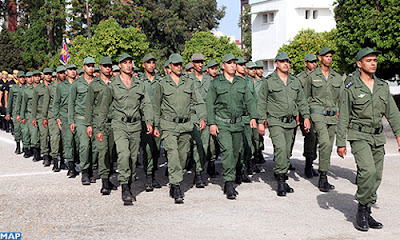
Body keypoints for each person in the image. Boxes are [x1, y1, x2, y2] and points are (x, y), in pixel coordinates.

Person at [336, 47, 400, 231]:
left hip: (378, 136)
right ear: (359, 64)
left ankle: (368, 209)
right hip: (359, 135)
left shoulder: (382, 86)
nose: (373, 63)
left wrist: (398, 135)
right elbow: (344, 117)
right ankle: (361, 210)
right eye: (368, 60)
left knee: (377, 176)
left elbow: (393, 114)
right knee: (368, 171)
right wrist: (340, 142)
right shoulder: (350, 86)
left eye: (374, 60)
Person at [97, 53, 154, 205]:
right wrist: (100, 128)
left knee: (133, 158)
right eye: (125, 63)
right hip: (119, 125)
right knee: (124, 154)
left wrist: (149, 121)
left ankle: (129, 183)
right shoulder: (113, 85)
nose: (128, 65)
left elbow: (146, 103)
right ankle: (125, 189)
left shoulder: (139, 84)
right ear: (120, 65)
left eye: (130, 62)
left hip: (135, 125)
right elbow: (103, 108)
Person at [153, 53, 206, 204]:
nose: (178, 67)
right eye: (175, 64)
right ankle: (176, 185)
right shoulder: (162, 84)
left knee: (183, 156)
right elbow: (156, 107)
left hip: (185, 125)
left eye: (180, 64)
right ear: (169, 66)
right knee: (173, 154)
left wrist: (202, 117)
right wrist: (155, 125)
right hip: (168, 125)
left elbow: (199, 101)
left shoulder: (188, 82)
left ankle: (175, 179)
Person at [257, 52, 310, 197]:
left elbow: (301, 101)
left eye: (287, 61)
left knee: (287, 152)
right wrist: (261, 121)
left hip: (291, 122)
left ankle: (282, 175)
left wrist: (306, 117)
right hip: (275, 121)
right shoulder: (269, 81)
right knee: (280, 149)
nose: (286, 64)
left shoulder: (294, 81)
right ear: (276, 64)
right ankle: (280, 181)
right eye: (282, 61)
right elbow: (261, 102)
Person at [207, 53, 258, 200]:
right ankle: (228, 182)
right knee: (228, 151)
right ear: (223, 65)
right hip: (222, 123)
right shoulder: (216, 83)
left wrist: (253, 117)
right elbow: (209, 104)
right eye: (229, 63)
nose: (232, 65)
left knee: (237, 152)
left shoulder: (241, 82)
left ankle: (232, 173)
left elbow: (249, 100)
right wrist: (212, 123)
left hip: (238, 123)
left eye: (234, 63)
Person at [304, 47, 343, 192]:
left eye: (331, 57)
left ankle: (323, 173)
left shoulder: (337, 77)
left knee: (328, 146)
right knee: (325, 143)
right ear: (320, 58)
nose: (329, 59)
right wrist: (306, 117)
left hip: (332, 115)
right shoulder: (312, 76)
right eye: (326, 56)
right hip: (317, 113)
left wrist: (344, 115)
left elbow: (343, 99)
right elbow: (305, 97)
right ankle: (323, 177)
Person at [85, 56, 117, 195]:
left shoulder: (116, 83)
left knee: (111, 153)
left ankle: (108, 177)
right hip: (100, 122)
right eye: (105, 66)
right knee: (102, 151)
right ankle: (104, 181)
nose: (108, 68)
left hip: (115, 122)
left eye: (109, 66)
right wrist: (89, 124)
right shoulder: (94, 84)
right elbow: (89, 105)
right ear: (100, 67)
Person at [69, 57, 96, 185]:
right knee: (84, 145)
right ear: (84, 67)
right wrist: (71, 121)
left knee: (95, 147)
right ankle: (84, 171)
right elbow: (71, 103)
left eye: (93, 66)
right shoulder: (77, 84)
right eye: (89, 66)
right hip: (81, 119)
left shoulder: (97, 82)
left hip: (95, 119)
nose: (91, 68)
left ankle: (91, 169)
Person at [188, 52, 212, 188]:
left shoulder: (209, 79)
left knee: (204, 146)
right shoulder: (188, 79)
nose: (200, 64)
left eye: (201, 62)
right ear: (192, 64)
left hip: (206, 116)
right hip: (192, 116)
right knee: (190, 147)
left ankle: (199, 172)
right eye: (197, 62)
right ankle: (195, 171)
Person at [140, 53, 162, 191]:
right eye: (149, 62)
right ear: (144, 65)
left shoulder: (161, 80)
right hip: (144, 119)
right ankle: (148, 176)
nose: (152, 65)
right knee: (147, 149)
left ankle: (153, 173)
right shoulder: (139, 81)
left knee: (157, 149)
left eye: (153, 62)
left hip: (159, 119)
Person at [295, 53, 319, 178]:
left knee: (317, 139)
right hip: (305, 112)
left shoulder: (319, 76)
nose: (314, 64)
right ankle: (308, 166)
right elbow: (296, 97)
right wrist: (298, 115)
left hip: (318, 113)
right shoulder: (299, 78)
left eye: (315, 61)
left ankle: (311, 163)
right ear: (306, 63)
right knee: (310, 137)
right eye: (311, 62)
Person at [54, 64, 78, 178]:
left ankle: (80, 163)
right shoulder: (61, 86)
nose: (73, 71)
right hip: (65, 115)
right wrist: (57, 118)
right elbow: (56, 103)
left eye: (74, 69)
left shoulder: (80, 84)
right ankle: (71, 167)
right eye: (70, 70)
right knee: (68, 141)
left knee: (79, 142)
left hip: (78, 115)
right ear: (66, 72)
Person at [42, 66, 66, 172]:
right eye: (60, 73)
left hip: (65, 114)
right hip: (52, 115)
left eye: (64, 73)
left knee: (65, 138)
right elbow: (45, 103)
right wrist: (44, 117)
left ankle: (64, 160)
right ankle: (55, 160)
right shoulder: (50, 87)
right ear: (57, 74)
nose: (63, 75)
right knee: (55, 137)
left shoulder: (68, 86)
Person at [32, 67, 53, 166]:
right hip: (41, 114)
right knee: (44, 135)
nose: (48, 75)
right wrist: (33, 117)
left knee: (53, 136)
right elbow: (34, 104)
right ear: (43, 76)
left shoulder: (54, 86)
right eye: (46, 74)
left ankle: (54, 155)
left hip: (52, 113)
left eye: (50, 74)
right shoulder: (38, 88)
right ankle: (45, 155)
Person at [21, 70, 42, 161]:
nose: (37, 78)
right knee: (34, 134)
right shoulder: (27, 91)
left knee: (43, 134)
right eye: (35, 76)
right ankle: (35, 153)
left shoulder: (43, 88)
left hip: (42, 114)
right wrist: (22, 116)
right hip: (30, 115)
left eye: (38, 76)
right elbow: (23, 105)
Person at [6, 71, 26, 154]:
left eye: (23, 77)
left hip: (25, 111)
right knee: (17, 129)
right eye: (20, 77)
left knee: (25, 130)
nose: (22, 79)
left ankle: (25, 147)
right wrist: (8, 113)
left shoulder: (27, 87)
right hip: (16, 111)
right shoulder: (13, 88)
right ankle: (18, 146)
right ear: (17, 78)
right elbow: (10, 101)